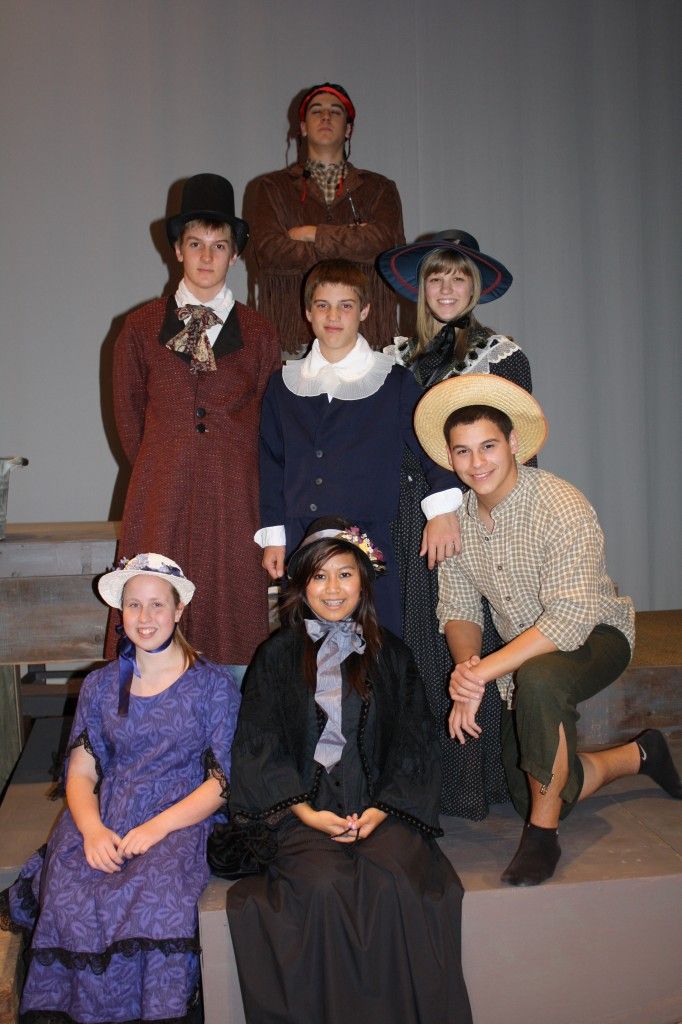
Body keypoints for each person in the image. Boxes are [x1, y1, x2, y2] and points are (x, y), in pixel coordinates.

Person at [413, 374, 682, 885]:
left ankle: (543, 836)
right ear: (450, 458)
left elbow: (570, 620)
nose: (477, 463)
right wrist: (469, 669)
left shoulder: (559, 504)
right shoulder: (457, 522)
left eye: (489, 446)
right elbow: (460, 609)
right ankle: (642, 754)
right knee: (534, 786)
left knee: (540, 683)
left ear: (514, 444)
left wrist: (480, 675)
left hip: (597, 634)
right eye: (463, 452)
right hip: (525, 652)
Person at [223, 522, 473, 1024]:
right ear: (301, 585)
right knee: (320, 886)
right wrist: (307, 814)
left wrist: (382, 811)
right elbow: (259, 742)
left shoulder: (393, 654)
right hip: (300, 809)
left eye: (344, 575)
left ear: (363, 582)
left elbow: (413, 742)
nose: (332, 589)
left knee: (396, 882)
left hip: (383, 807)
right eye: (319, 577)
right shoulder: (274, 656)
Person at [1, 553, 241, 1020]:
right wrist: (90, 830)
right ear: (121, 612)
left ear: (178, 610)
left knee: (157, 900)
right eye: (134, 606)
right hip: (110, 808)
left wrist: (156, 830)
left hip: (181, 813)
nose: (145, 618)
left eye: (156, 605)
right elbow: (82, 772)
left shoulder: (212, 685)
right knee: (70, 895)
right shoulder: (99, 684)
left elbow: (221, 782)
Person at [377, 229, 530, 819]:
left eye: (457, 277)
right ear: (421, 286)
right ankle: (423, 786)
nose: (445, 288)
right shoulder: (395, 356)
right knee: (416, 645)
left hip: (469, 517)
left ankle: (474, 782)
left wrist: (478, 519)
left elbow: (514, 453)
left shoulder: (502, 356)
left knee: (467, 640)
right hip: (403, 521)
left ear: (475, 287)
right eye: (435, 277)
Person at [108, 173, 281, 680]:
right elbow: (128, 418)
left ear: (235, 255)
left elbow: (270, 420)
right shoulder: (140, 329)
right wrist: (169, 462)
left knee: (231, 616)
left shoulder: (258, 331)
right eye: (196, 245)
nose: (207, 257)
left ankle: (226, 741)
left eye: (219, 246)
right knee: (153, 611)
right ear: (178, 251)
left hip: (234, 499)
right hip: (161, 495)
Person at [256, 258, 462, 636]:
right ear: (307, 311)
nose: (333, 315)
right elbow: (271, 465)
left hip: (370, 544)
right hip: (302, 538)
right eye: (322, 305)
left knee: (376, 650)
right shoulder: (282, 385)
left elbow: (432, 443)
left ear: (364, 311)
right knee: (304, 651)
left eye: (345, 305)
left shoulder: (393, 381)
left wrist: (443, 509)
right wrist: (274, 536)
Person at [250, 82, 405, 354]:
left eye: (335, 112)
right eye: (316, 111)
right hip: (295, 329)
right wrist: (354, 241)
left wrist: (312, 233)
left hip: (367, 333)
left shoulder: (379, 188)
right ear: (303, 127)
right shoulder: (272, 187)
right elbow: (269, 250)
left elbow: (385, 244)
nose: (325, 117)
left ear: (348, 130)